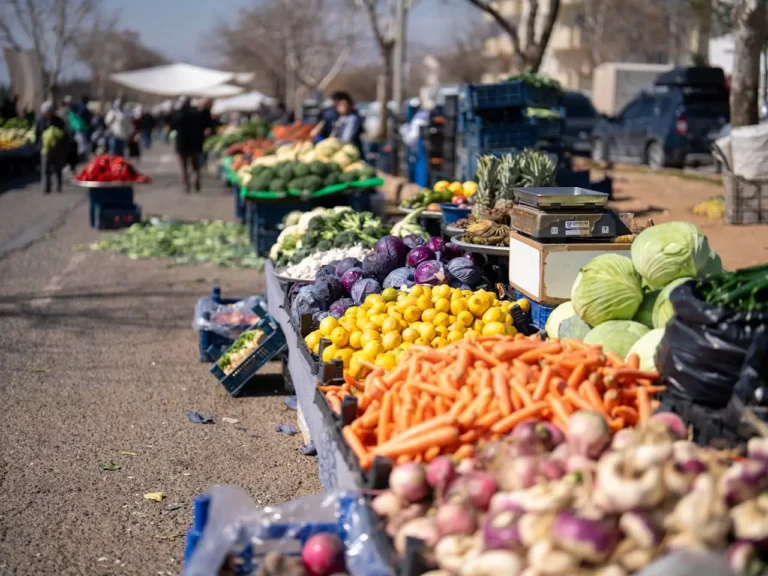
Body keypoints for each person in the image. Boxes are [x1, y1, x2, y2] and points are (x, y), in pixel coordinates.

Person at [171, 97, 206, 193]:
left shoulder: (179, 113)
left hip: (182, 144)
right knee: (195, 165)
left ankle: (187, 185)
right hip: (194, 143)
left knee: (184, 166)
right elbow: (202, 126)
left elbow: (173, 125)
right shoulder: (196, 113)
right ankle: (196, 179)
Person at [35, 101, 68, 194]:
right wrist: (38, 145)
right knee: (45, 168)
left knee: (58, 168)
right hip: (45, 148)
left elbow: (64, 134)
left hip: (57, 148)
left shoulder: (58, 121)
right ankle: (46, 187)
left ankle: (58, 186)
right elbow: (37, 134)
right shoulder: (40, 121)